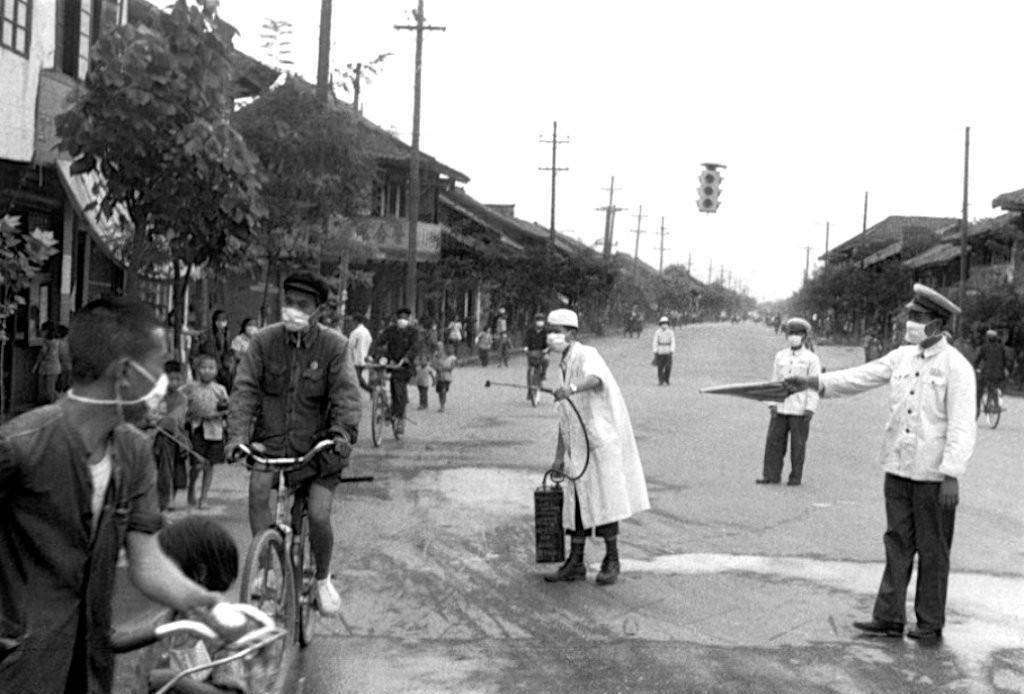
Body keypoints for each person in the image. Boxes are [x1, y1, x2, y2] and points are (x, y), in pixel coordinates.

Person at [0, 296, 223, 693]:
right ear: (124, 373)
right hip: (20, 672)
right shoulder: (19, 447)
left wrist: (206, 603)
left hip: (88, 669)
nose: (165, 382)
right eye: (158, 367)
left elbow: (148, 561)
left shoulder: (134, 452)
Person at [783, 284, 976, 642]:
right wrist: (810, 381)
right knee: (896, 542)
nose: (910, 323)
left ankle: (930, 622)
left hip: (934, 475)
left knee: (933, 550)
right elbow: (859, 377)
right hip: (898, 468)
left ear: (937, 323)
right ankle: (889, 616)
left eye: (917, 318)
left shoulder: (957, 367)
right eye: (910, 316)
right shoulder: (901, 357)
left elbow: (963, 425)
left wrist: (952, 474)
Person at [227, 271, 361, 616]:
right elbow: (244, 391)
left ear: (318, 310)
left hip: (320, 448)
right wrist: (238, 437)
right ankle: (266, 566)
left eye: (302, 305)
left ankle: (322, 578)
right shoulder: (263, 342)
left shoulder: (334, 345)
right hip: (273, 444)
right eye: (289, 303)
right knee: (258, 489)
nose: (293, 311)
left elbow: (346, 397)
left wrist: (342, 435)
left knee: (317, 512)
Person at [543, 308, 650, 586]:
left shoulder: (587, 354)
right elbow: (565, 416)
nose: (552, 336)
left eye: (557, 330)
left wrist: (574, 388)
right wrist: (558, 457)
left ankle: (611, 560)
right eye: (549, 330)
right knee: (576, 504)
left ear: (572, 333)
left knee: (605, 502)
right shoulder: (563, 365)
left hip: (599, 443)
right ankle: (575, 562)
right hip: (576, 446)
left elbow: (595, 379)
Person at [141, 516, 246, 694]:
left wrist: (176, 682)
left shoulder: (221, 629)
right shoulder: (168, 619)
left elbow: (232, 692)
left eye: (167, 569)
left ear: (198, 573)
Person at [757, 317, 821, 486]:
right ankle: (771, 475)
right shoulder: (780, 356)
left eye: (797, 333)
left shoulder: (811, 358)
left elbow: (814, 385)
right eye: (791, 333)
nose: (794, 336)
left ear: (804, 336)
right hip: (781, 406)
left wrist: (810, 408)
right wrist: (772, 403)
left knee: (798, 445)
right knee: (774, 442)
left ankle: (795, 477)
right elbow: (774, 380)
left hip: (800, 408)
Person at [183, 354, 229, 509]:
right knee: (196, 465)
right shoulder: (190, 388)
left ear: (216, 371)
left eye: (211, 368)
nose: (207, 371)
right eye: (204, 368)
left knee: (210, 465)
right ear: (197, 370)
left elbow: (228, 409)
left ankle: (204, 497)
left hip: (215, 431)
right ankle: (191, 488)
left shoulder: (220, 390)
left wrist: (217, 414)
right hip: (197, 429)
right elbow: (181, 404)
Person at [371, 307, 419, 435]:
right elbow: (379, 341)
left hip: (404, 366)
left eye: (405, 318)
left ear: (408, 319)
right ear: (396, 319)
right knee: (390, 387)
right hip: (391, 363)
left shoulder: (413, 332)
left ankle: (399, 418)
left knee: (399, 392)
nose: (402, 320)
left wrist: (406, 358)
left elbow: (415, 347)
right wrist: (371, 354)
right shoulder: (390, 330)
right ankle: (387, 408)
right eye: (400, 318)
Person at [153, 360, 190, 512]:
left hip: (175, 437)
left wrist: (163, 422)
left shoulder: (182, 398)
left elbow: (174, 419)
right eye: (170, 379)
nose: (174, 383)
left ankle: (170, 498)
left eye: (177, 379)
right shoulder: (156, 396)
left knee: (173, 469)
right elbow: (152, 415)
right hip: (156, 435)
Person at [973, 329, 1012, 415]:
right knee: (993, 386)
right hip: (999, 374)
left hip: (987, 373)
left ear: (987, 338)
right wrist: (1005, 369)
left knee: (979, 390)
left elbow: (978, 359)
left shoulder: (984, 347)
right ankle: (996, 405)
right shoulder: (1001, 347)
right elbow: (1004, 360)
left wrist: (974, 367)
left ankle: (977, 409)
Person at [194, 310, 233, 388]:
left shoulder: (227, 333)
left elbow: (227, 351)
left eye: (224, 320)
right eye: (219, 319)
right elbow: (202, 348)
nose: (221, 322)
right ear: (214, 320)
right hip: (209, 363)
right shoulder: (207, 334)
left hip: (223, 366)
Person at [34, 321, 63, 403]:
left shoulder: (47, 342)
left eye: (42, 330)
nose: (41, 331)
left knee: (49, 390)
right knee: (51, 389)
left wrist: (36, 365)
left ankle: (59, 405)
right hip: (56, 367)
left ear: (47, 331)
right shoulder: (57, 341)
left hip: (48, 368)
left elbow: (42, 354)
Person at [523, 312, 549, 398]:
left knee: (546, 359)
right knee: (529, 371)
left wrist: (547, 349)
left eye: (541, 320)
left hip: (542, 352)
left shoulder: (546, 331)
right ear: (535, 321)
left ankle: (543, 374)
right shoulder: (530, 330)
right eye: (538, 320)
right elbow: (526, 340)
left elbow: (549, 342)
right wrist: (526, 347)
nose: (540, 322)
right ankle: (530, 391)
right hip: (531, 352)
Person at [433, 343, 457, 413]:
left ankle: (442, 405)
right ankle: (441, 405)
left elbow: (451, 368)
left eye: (440, 346)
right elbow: (434, 365)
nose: (439, 348)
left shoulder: (452, 358)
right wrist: (438, 368)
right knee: (441, 391)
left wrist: (442, 368)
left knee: (443, 391)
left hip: (447, 378)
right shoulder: (436, 355)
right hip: (439, 377)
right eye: (438, 347)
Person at [651, 316, 676, 385]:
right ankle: (661, 380)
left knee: (668, 367)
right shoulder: (657, 332)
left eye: (665, 324)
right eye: (662, 324)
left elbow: (673, 341)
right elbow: (655, 342)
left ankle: (666, 379)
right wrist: (655, 350)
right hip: (660, 351)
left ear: (668, 324)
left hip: (668, 351)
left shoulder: (670, 332)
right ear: (660, 324)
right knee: (660, 367)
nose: (664, 325)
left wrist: (672, 350)